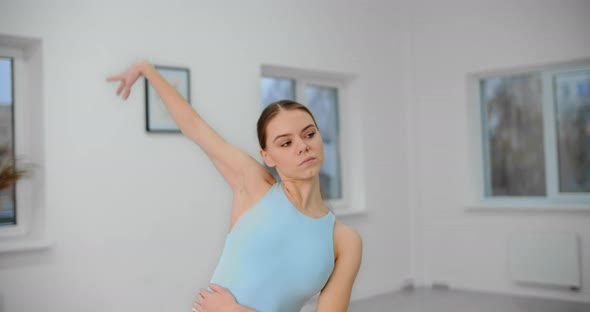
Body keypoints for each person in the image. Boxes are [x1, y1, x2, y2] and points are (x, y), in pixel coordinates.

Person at [107, 60, 362, 312]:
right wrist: (146, 69)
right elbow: (195, 127)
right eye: (286, 143)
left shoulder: (344, 241)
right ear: (267, 156)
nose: (303, 146)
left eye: (309, 134)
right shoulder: (253, 185)